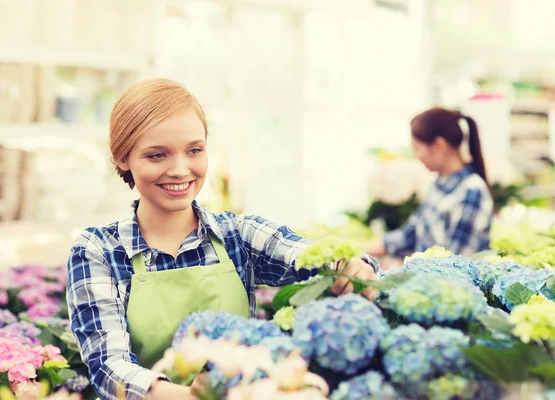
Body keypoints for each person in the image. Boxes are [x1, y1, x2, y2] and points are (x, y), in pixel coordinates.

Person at [66, 78, 379, 400]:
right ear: (122, 158)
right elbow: (109, 367)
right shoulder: (98, 251)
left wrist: (353, 266)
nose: (180, 169)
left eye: (194, 150)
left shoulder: (238, 236)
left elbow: (308, 255)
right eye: (157, 155)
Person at [367, 107, 494, 259]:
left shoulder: (472, 191)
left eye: (417, 148)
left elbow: (455, 263)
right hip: (426, 278)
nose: (416, 156)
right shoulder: (439, 183)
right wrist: (360, 251)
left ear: (439, 146)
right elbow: (412, 232)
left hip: (446, 281)